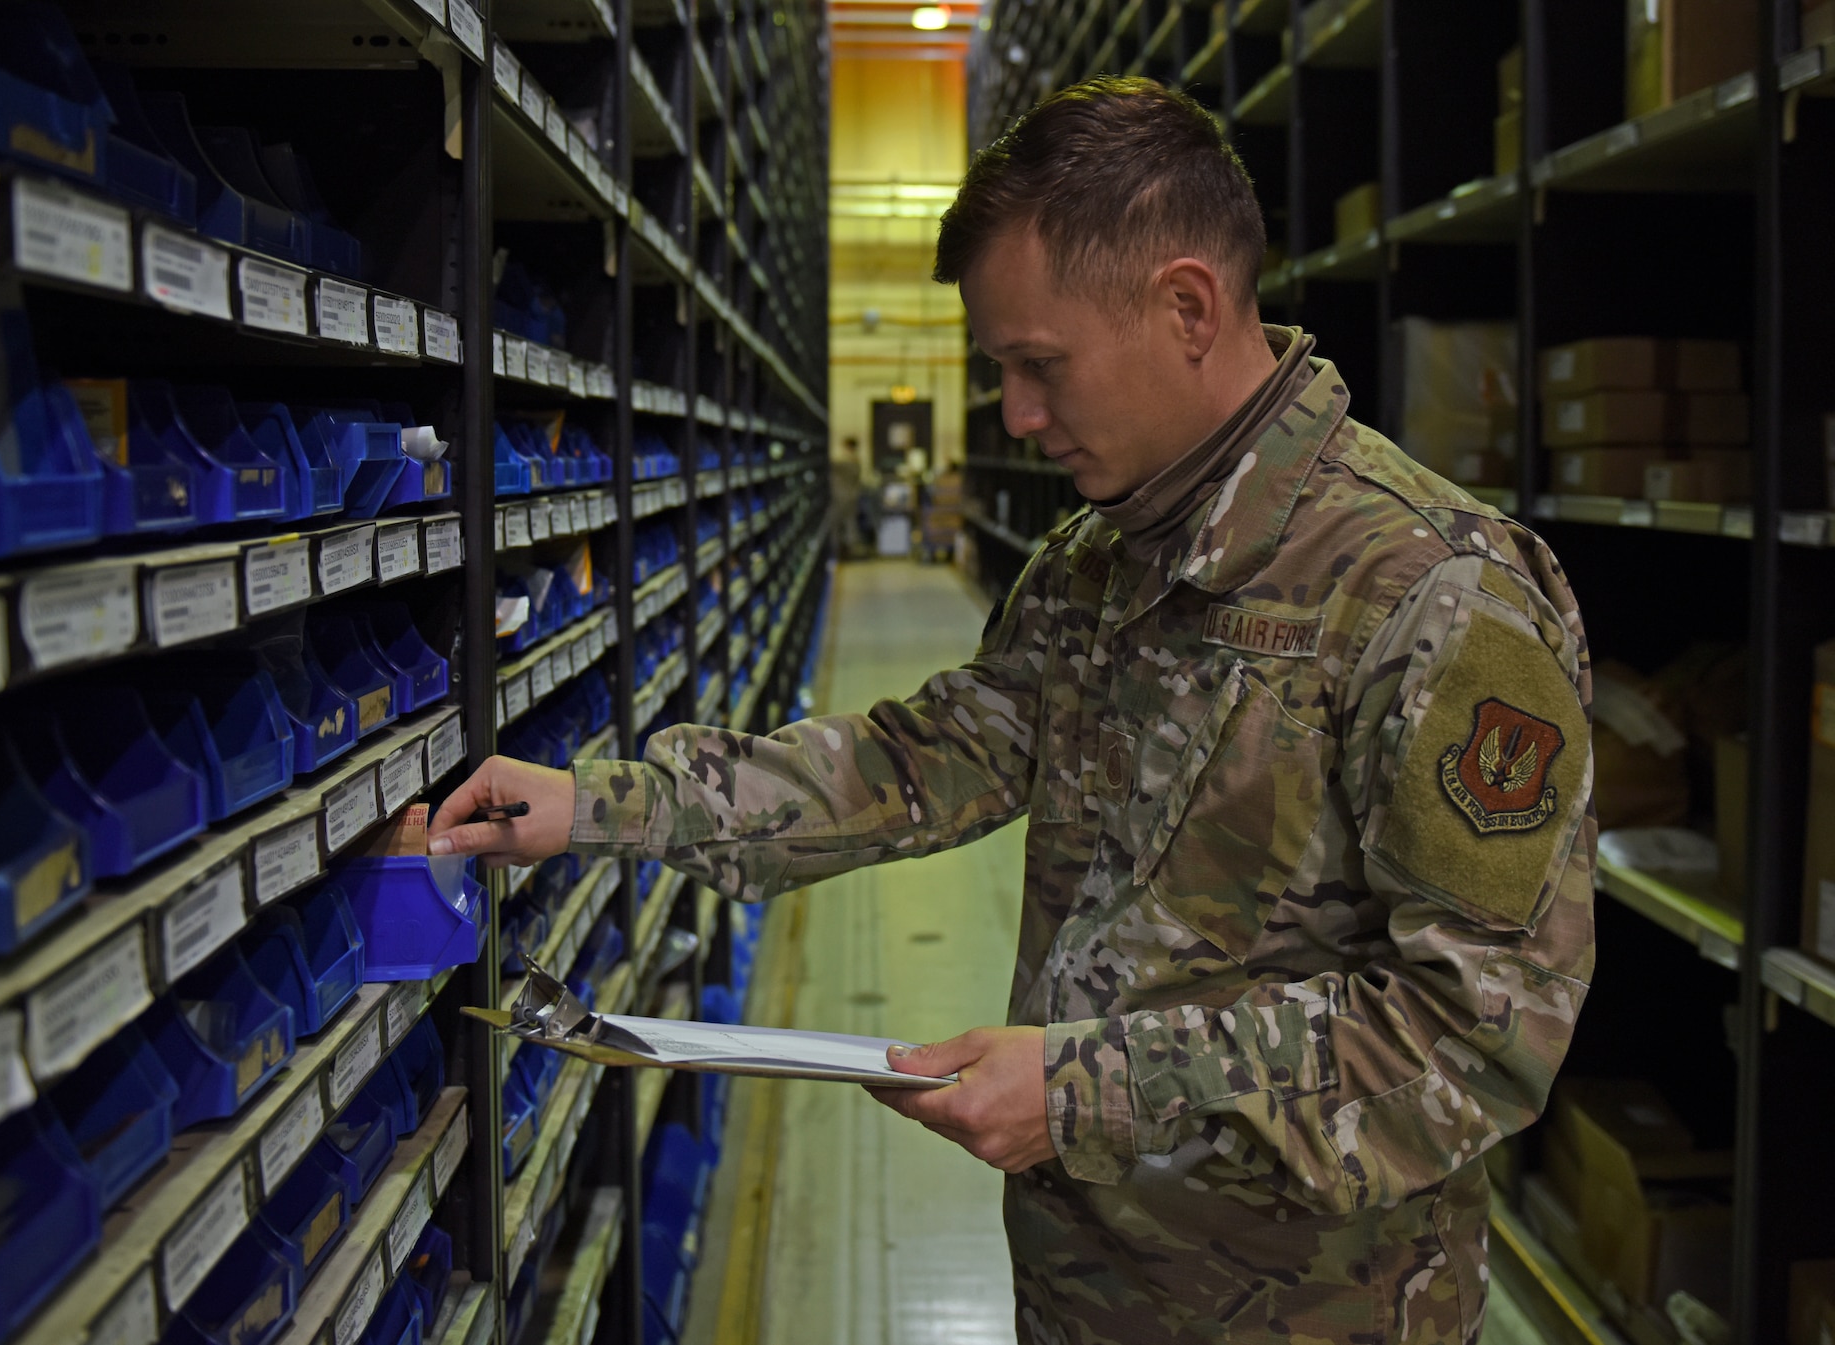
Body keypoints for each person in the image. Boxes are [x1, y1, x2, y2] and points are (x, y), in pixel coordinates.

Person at [430, 76, 1595, 1345]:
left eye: (1037, 367)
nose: (1016, 417)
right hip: (1077, 1287)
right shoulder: (1099, 564)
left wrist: (1088, 1087)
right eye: (1000, 372)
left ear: (1186, 306)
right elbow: (918, 761)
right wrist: (602, 806)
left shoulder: (1435, 594)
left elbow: (1472, 1037)